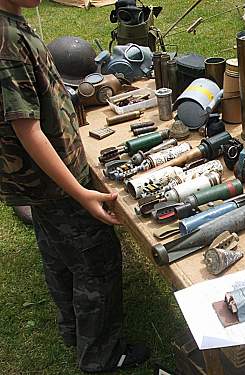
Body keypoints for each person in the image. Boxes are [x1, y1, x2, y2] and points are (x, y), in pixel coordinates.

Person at [0, 0, 149, 372]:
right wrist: (80, 192)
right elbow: (27, 128)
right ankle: (101, 355)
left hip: (41, 184)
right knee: (95, 261)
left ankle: (71, 327)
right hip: (54, 182)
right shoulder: (6, 40)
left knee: (57, 251)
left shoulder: (11, 21)